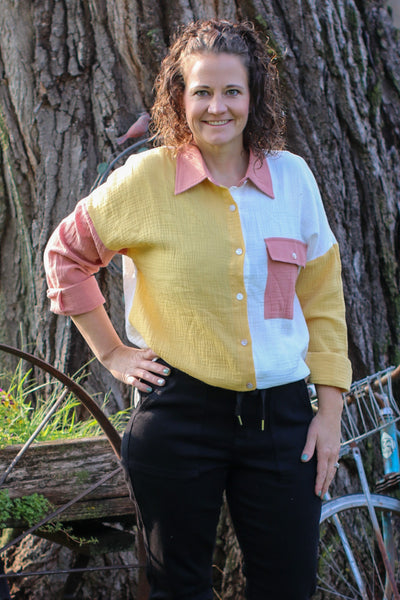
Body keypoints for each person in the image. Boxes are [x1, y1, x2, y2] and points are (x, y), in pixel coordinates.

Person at [44, 19, 352, 600]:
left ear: (254, 95)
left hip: (284, 423)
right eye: (202, 91)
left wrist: (329, 412)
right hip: (180, 415)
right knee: (177, 589)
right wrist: (112, 352)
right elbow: (65, 255)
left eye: (232, 91)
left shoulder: (294, 180)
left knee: (287, 587)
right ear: (179, 98)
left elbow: (323, 298)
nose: (217, 107)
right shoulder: (145, 179)